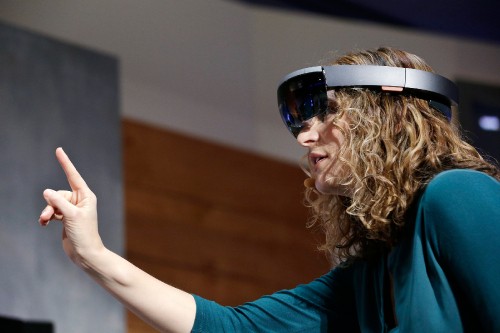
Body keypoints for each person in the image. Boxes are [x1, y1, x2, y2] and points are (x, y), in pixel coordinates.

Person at [39, 47, 500, 332]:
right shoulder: (371, 271)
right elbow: (234, 330)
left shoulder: (457, 195)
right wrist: (93, 256)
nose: (305, 136)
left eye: (327, 113)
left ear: (385, 119)